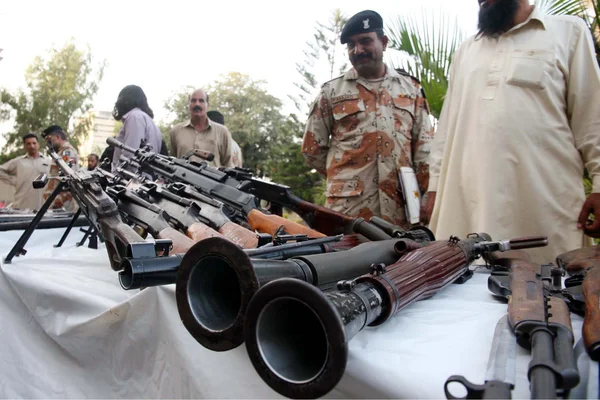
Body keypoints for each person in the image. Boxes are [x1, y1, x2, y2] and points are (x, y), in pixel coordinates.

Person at [424, 0, 600, 262]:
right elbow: (447, 127)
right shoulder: (466, 50)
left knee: (548, 292)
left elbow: (592, 117)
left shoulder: (569, 32)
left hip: (542, 204)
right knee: (467, 291)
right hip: (467, 203)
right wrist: (435, 186)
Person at [302, 10, 435, 227]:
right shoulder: (331, 92)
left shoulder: (411, 89)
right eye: (351, 45)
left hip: (402, 208)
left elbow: (425, 148)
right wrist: (346, 177)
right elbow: (312, 149)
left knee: (406, 260)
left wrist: (428, 194)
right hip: (349, 211)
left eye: (365, 41)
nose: (358, 50)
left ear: (383, 42)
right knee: (348, 261)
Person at [170, 89, 235, 167]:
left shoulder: (222, 132)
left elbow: (228, 165)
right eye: (193, 101)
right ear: (189, 105)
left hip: (211, 179)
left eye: (201, 101)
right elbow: (172, 162)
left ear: (208, 106)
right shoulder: (176, 131)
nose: (197, 104)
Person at [111, 85, 162, 171]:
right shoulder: (147, 119)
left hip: (129, 180)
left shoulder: (134, 117)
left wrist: (117, 175)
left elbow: (130, 154)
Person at [0, 133, 50, 210]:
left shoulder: (48, 162)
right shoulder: (18, 162)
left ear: (38, 144)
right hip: (23, 205)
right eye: (28, 144)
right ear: (25, 146)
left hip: (44, 205)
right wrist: (14, 181)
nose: (32, 146)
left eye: (34, 143)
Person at [42, 125, 79, 212]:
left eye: (49, 140)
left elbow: (67, 177)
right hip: (57, 200)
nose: (48, 143)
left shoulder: (67, 152)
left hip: (63, 201)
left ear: (58, 137)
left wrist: (60, 200)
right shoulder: (59, 153)